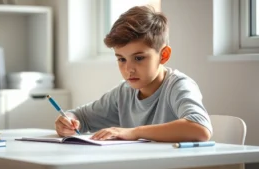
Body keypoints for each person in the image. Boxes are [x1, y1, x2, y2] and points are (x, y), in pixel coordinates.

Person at [55, 5, 212, 142]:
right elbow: (81, 116)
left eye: (138, 58)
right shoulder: (124, 92)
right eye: (121, 59)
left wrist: (134, 132)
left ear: (163, 55)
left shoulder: (178, 86)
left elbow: (200, 128)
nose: (129, 69)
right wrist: (69, 121)